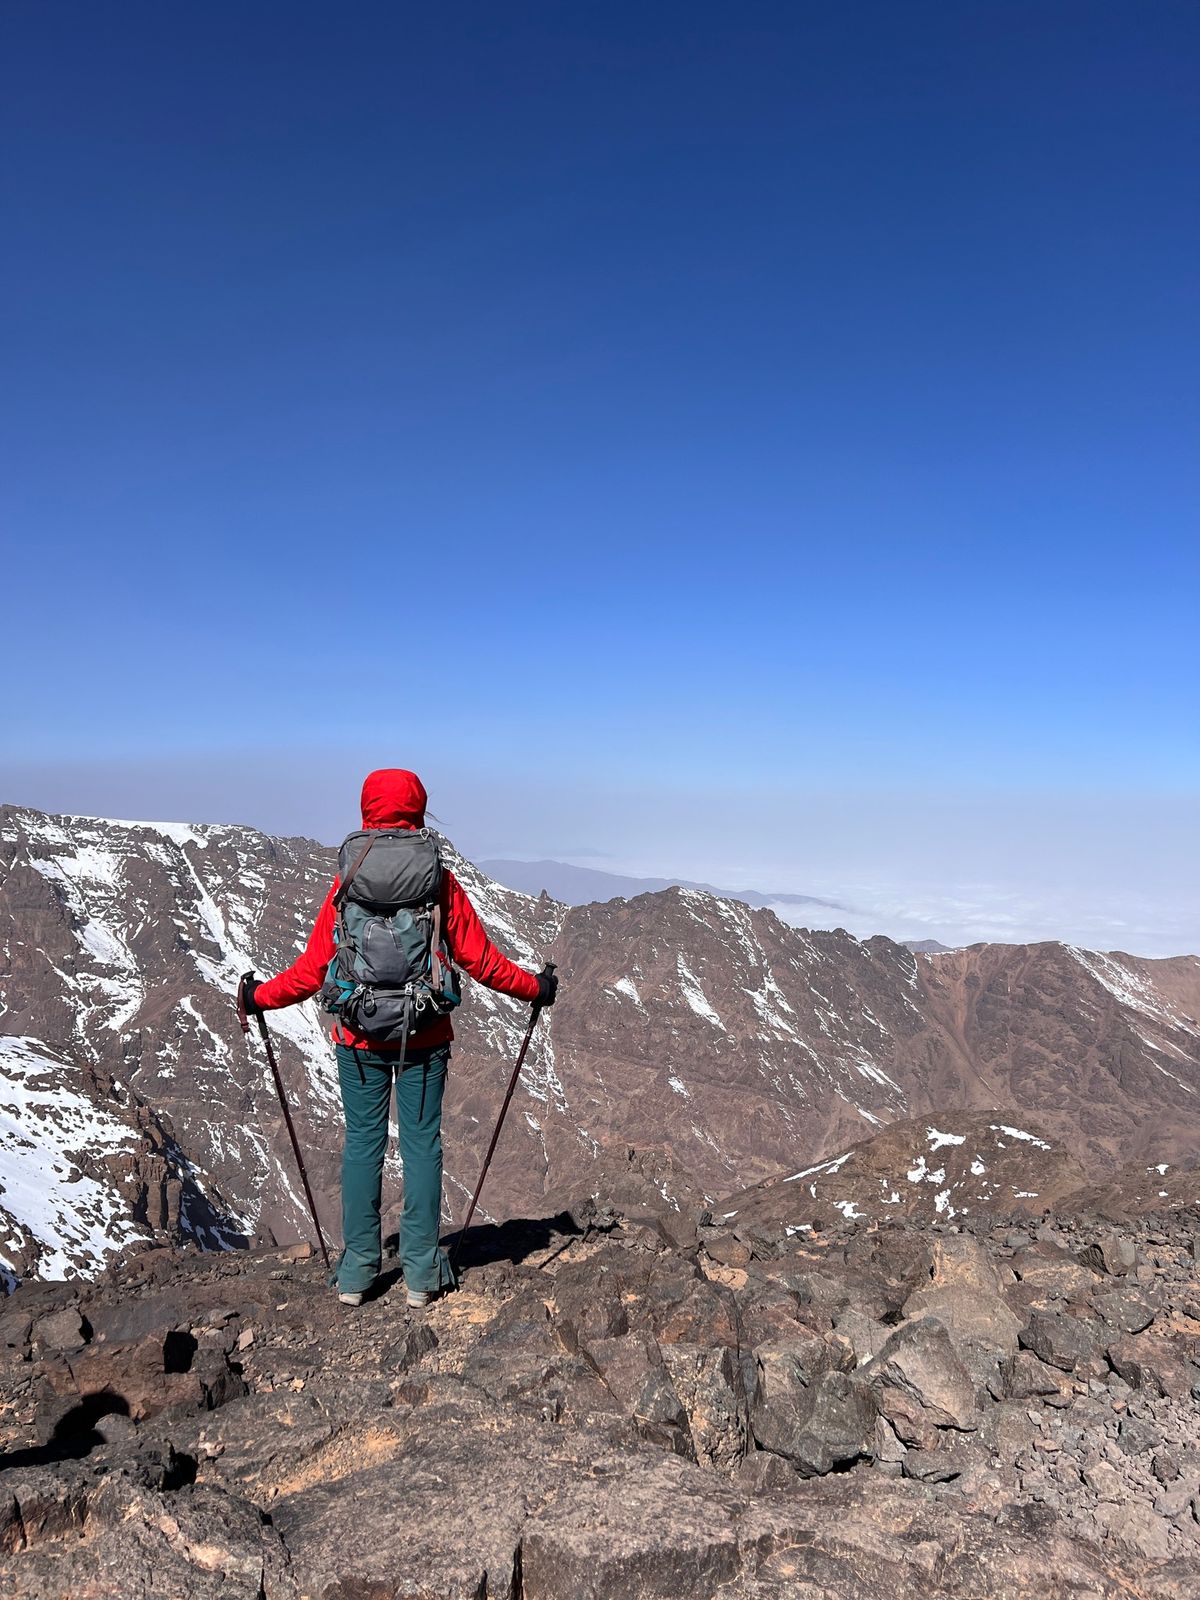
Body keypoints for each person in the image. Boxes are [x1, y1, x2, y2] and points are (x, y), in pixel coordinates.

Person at [236, 768, 557, 1309]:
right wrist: (536, 988)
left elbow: (313, 970)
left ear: (367, 809)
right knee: (421, 1145)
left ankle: (358, 1274)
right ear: (418, 809)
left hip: (358, 1038)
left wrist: (256, 998)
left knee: (363, 1145)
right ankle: (421, 1275)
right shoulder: (439, 882)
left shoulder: (347, 880)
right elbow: (480, 961)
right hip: (425, 1034)